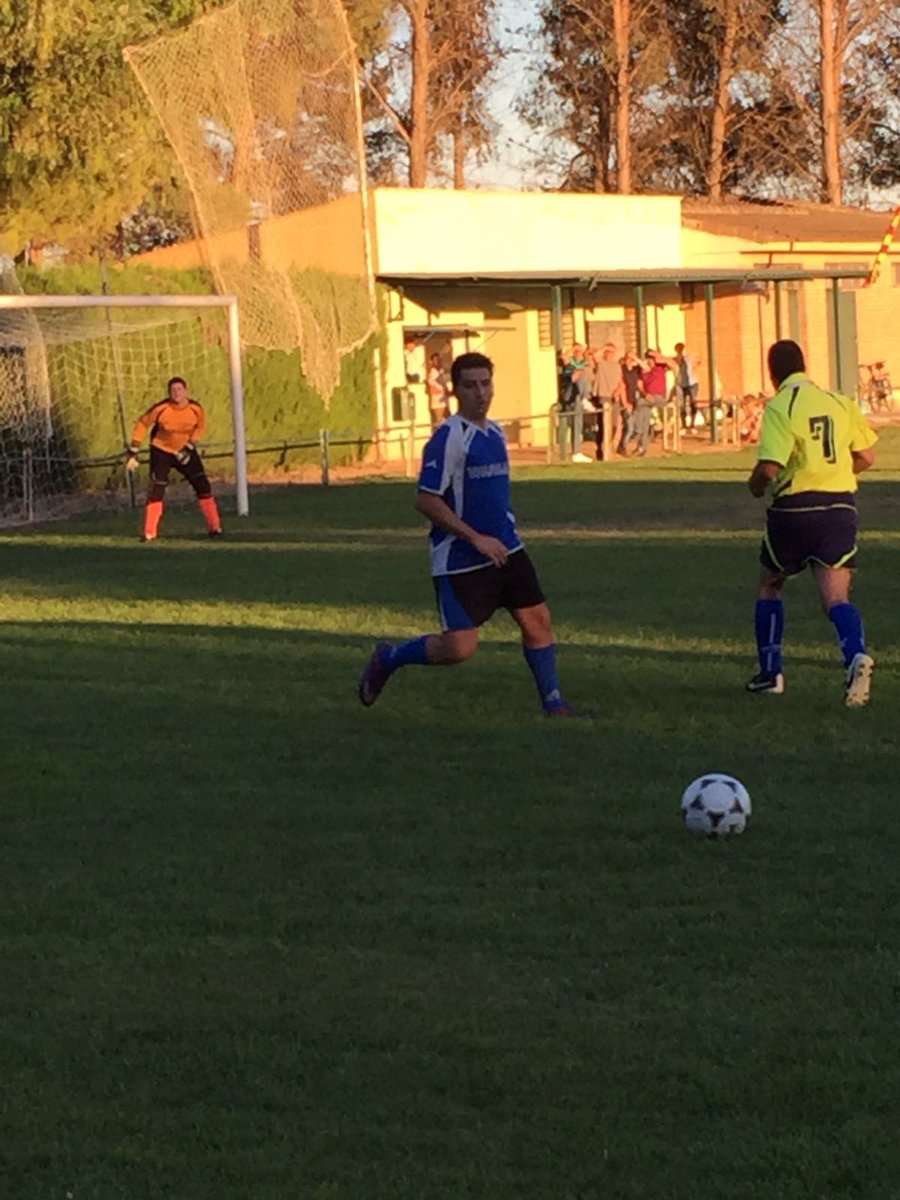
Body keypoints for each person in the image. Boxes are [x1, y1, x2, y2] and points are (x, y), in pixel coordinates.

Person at [358, 351, 587, 717]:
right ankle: (390, 657)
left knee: (538, 621)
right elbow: (426, 500)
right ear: (456, 390)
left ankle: (554, 705)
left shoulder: (495, 433)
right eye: (471, 385)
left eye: (486, 384)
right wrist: (475, 538)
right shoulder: (448, 438)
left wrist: (501, 531)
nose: (480, 392)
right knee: (459, 649)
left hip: (508, 548)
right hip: (461, 558)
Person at [746, 339, 877, 706]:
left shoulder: (781, 405)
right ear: (805, 365)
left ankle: (771, 674)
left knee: (771, 585)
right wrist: (832, 474)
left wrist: (755, 486)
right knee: (836, 597)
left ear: (773, 373)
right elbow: (866, 455)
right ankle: (855, 658)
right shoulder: (838, 401)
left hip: (795, 510)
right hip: (839, 509)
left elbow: (770, 467)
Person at [125, 376, 223, 542]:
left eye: (179, 389)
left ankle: (215, 527)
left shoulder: (195, 409)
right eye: (173, 390)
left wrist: (189, 447)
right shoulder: (161, 408)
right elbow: (142, 423)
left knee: (202, 485)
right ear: (169, 393)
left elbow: (200, 427)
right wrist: (134, 450)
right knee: (157, 489)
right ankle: (150, 533)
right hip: (161, 451)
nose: (177, 393)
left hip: (185, 451)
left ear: (186, 391)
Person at [426, 352, 450, 428]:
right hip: (438, 402)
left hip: (443, 401)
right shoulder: (433, 372)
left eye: (440, 359)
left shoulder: (440, 371)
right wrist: (443, 390)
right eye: (437, 360)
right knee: (440, 422)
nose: (440, 362)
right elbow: (432, 385)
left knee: (447, 421)